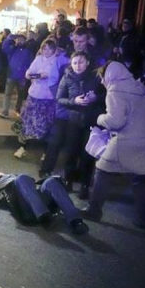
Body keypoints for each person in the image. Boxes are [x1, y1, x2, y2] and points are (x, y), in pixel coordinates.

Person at [81, 61, 145, 232]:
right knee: (141, 180)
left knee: (102, 170)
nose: (102, 81)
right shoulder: (136, 86)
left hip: (128, 141)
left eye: (102, 77)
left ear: (109, 75)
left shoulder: (115, 91)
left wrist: (100, 118)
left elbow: (115, 122)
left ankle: (93, 211)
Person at [44, 51, 105, 199]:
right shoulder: (67, 77)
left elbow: (106, 94)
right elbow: (59, 98)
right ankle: (68, 180)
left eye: (81, 62)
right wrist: (74, 101)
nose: (78, 65)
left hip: (91, 121)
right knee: (71, 151)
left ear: (87, 62)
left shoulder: (96, 77)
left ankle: (85, 185)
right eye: (75, 62)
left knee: (87, 154)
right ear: (71, 64)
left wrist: (95, 98)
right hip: (73, 120)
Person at [0, 173, 89, 234]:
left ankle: (75, 221)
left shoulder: (20, 181)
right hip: (27, 211)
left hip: (36, 201)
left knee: (50, 182)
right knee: (21, 178)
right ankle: (43, 216)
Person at [13, 39, 61, 159]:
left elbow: (55, 78)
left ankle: (45, 151)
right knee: (27, 122)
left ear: (54, 49)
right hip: (34, 95)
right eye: (44, 48)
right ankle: (22, 147)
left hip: (48, 98)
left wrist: (44, 76)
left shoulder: (57, 60)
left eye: (49, 48)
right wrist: (30, 74)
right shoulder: (39, 59)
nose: (46, 51)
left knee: (46, 125)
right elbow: (29, 71)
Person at [0, 34, 34, 119]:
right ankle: (5, 111)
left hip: (22, 76)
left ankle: (17, 109)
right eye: (18, 39)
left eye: (22, 39)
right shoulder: (12, 49)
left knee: (20, 94)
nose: (19, 41)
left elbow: (30, 63)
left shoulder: (28, 51)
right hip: (11, 75)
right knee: (7, 94)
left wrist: (25, 75)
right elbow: (4, 47)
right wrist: (11, 38)